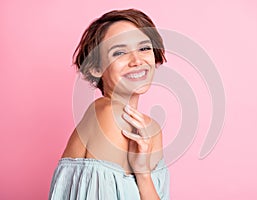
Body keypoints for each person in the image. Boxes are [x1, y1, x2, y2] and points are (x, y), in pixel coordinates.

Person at [48, 8, 170, 200]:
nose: (137, 60)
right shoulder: (107, 114)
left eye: (144, 48)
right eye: (119, 52)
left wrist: (143, 174)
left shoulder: (151, 130)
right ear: (96, 68)